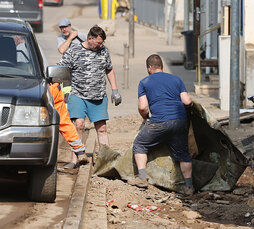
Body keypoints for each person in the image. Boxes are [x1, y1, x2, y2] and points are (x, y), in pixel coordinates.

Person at [131, 54, 195, 195]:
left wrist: (145, 117)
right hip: (179, 121)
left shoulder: (144, 82)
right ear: (161, 66)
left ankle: (142, 179)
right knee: (183, 153)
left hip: (159, 122)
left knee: (140, 145)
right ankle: (189, 186)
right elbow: (187, 101)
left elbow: (143, 107)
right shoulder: (176, 79)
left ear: (149, 68)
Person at [57, 25, 121, 158]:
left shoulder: (104, 51)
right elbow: (60, 68)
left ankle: (105, 160)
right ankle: (76, 159)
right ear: (90, 38)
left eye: (102, 43)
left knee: (102, 128)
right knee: (79, 125)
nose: (100, 45)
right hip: (78, 94)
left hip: (98, 96)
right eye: (98, 42)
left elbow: (109, 69)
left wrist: (115, 90)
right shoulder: (74, 50)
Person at [50, 83, 88, 169]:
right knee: (63, 122)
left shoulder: (53, 88)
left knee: (63, 121)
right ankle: (79, 150)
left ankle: (79, 150)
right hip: (46, 87)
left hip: (49, 89)